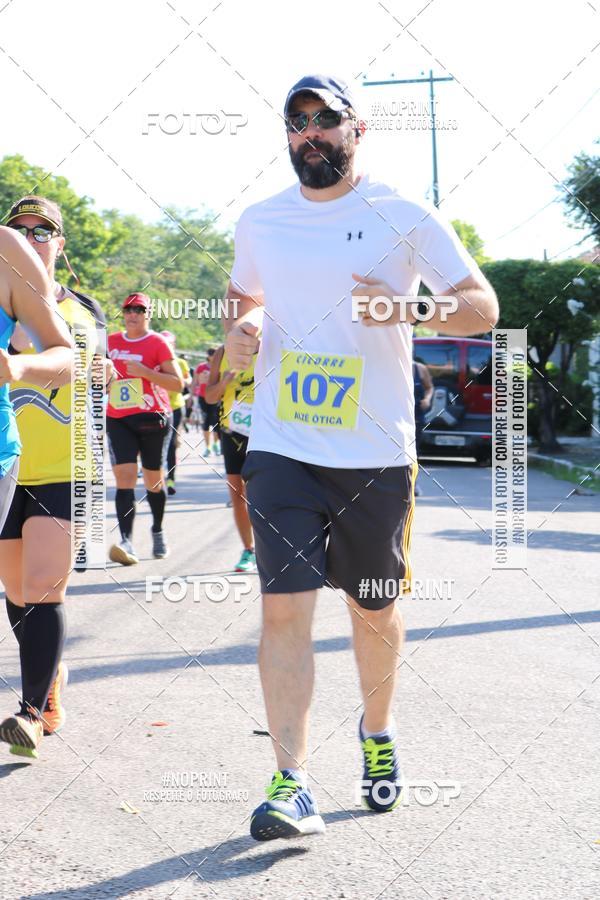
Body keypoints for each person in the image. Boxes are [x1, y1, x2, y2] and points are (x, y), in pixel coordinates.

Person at [224, 74, 499, 840]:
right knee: (283, 610)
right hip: (283, 443)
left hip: (375, 451)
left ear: (358, 128)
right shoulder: (261, 220)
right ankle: (291, 782)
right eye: (296, 122)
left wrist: (402, 306)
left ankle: (377, 736)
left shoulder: (403, 215)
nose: (309, 133)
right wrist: (239, 328)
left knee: (373, 608)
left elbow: (481, 307)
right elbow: (241, 294)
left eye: (324, 120)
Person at [0, 196, 92, 759]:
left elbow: (91, 386)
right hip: (14, 464)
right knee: (16, 590)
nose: (31, 238)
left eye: (43, 231)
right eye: (22, 228)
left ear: (59, 245)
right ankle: (49, 673)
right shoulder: (8, 293)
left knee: (44, 587)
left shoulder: (83, 313)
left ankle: (32, 711)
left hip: (62, 465)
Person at [107, 293, 183, 565]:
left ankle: (158, 530)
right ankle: (126, 541)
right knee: (125, 477)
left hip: (153, 418)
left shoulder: (157, 343)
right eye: (128, 309)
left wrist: (145, 372)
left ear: (148, 314)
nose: (133, 314)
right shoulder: (110, 342)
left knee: (153, 480)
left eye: (139, 309)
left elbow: (178, 384)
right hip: (118, 418)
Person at [205, 345, 257, 573]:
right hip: (232, 431)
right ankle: (249, 550)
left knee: (267, 495)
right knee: (238, 495)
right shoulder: (222, 352)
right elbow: (209, 396)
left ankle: (274, 549)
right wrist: (225, 381)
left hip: (265, 433)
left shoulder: (271, 345)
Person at [160, 331, 191, 495]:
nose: (167, 346)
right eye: (164, 343)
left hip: (176, 406)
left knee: (171, 443)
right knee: (157, 444)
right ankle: (155, 476)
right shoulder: (153, 361)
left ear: (174, 345)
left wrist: (183, 381)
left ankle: (170, 478)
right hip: (157, 407)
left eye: (170, 343)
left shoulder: (180, 362)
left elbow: (188, 380)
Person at [193, 349, 221, 456]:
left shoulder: (220, 366)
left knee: (216, 422)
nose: (212, 356)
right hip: (202, 397)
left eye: (214, 353)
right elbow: (195, 382)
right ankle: (207, 447)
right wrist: (191, 396)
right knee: (205, 422)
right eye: (210, 354)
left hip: (215, 397)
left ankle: (216, 445)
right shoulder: (201, 367)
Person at [412, 359, 433, 497]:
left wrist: (427, 399)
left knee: (414, 451)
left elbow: (429, 387)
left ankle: (414, 483)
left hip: (416, 417)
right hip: (397, 417)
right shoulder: (393, 365)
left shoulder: (420, 368)